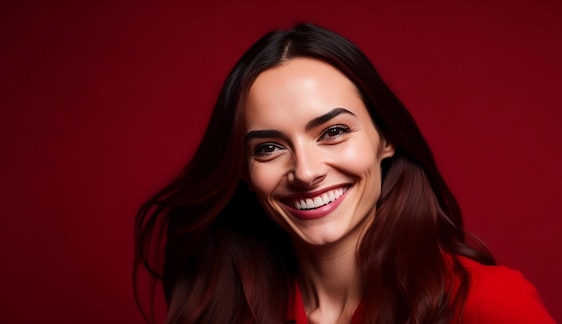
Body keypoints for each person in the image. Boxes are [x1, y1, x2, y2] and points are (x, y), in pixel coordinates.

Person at [134, 23, 554, 323]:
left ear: (385, 139)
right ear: (243, 172)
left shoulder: (488, 303)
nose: (306, 171)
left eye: (333, 132)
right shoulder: (218, 308)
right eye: (268, 148)